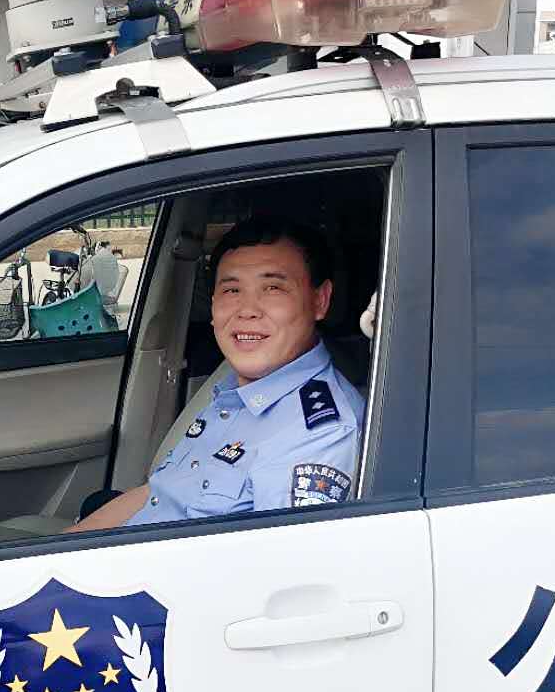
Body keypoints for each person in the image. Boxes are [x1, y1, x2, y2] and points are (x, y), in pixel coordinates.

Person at [68, 215, 365, 532]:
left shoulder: (320, 435)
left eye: (273, 288)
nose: (247, 310)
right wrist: (66, 544)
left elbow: (273, 559)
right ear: (212, 305)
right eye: (232, 290)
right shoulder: (234, 387)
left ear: (320, 300)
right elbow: (158, 493)